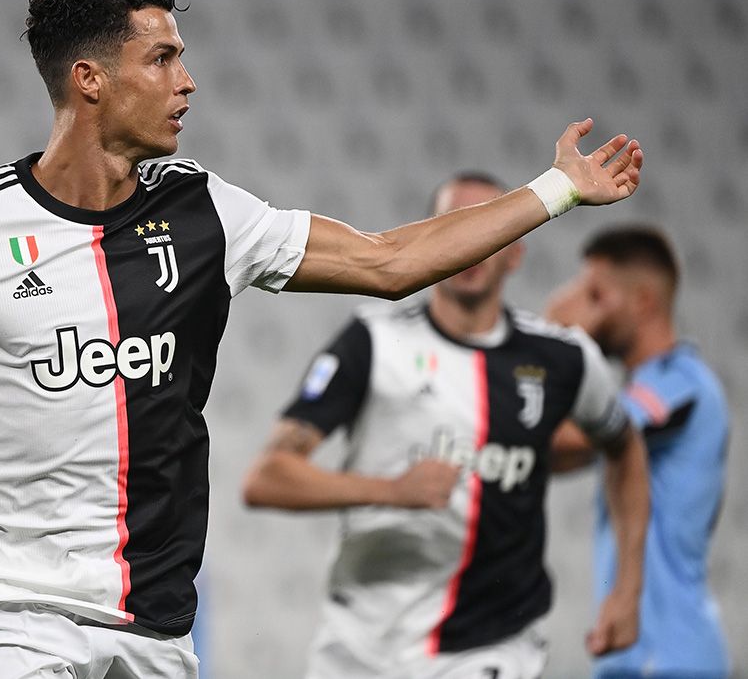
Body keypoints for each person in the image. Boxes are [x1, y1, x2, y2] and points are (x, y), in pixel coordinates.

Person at [0, 0, 644, 677]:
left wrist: (557, 189)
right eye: (164, 58)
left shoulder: (206, 210)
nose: (188, 80)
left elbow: (387, 260)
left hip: (153, 617)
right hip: (2, 604)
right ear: (91, 78)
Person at [241, 174, 650, 678]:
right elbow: (267, 478)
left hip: (489, 647)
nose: (471, 246)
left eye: (487, 229)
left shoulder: (563, 359)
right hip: (362, 646)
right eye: (454, 226)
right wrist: (391, 490)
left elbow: (624, 447)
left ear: (514, 253)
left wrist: (628, 592)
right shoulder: (372, 342)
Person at [547, 225, 730, 679]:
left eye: (596, 295)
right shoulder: (645, 389)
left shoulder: (682, 382)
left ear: (643, 301)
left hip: (670, 654)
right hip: (634, 653)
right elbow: (550, 453)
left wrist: (559, 344)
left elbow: (564, 439)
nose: (586, 310)